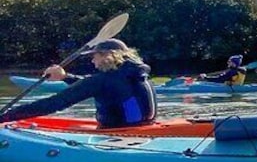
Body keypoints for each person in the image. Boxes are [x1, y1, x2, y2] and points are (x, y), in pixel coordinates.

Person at [0, 38, 157, 128]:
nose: (92, 60)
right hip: (145, 127)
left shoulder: (102, 80)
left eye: (95, 56)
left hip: (118, 132)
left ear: (107, 56)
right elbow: (97, 86)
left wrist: (5, 117)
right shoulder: (137, 74)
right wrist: (65, 76)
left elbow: (53, 104)